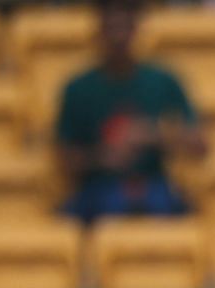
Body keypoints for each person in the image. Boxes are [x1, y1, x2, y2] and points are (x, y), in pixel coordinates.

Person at [56, 0, 206, 222]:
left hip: (155, 186)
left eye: (124, 27)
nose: (118, 37)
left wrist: (151, 135)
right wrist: (102, 158)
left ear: (135, 29)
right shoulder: (78, 88)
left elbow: (201, 145)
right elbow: (65, 159)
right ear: (100, 30)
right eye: (112, 27)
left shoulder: (163, 81)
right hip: (98, 189)